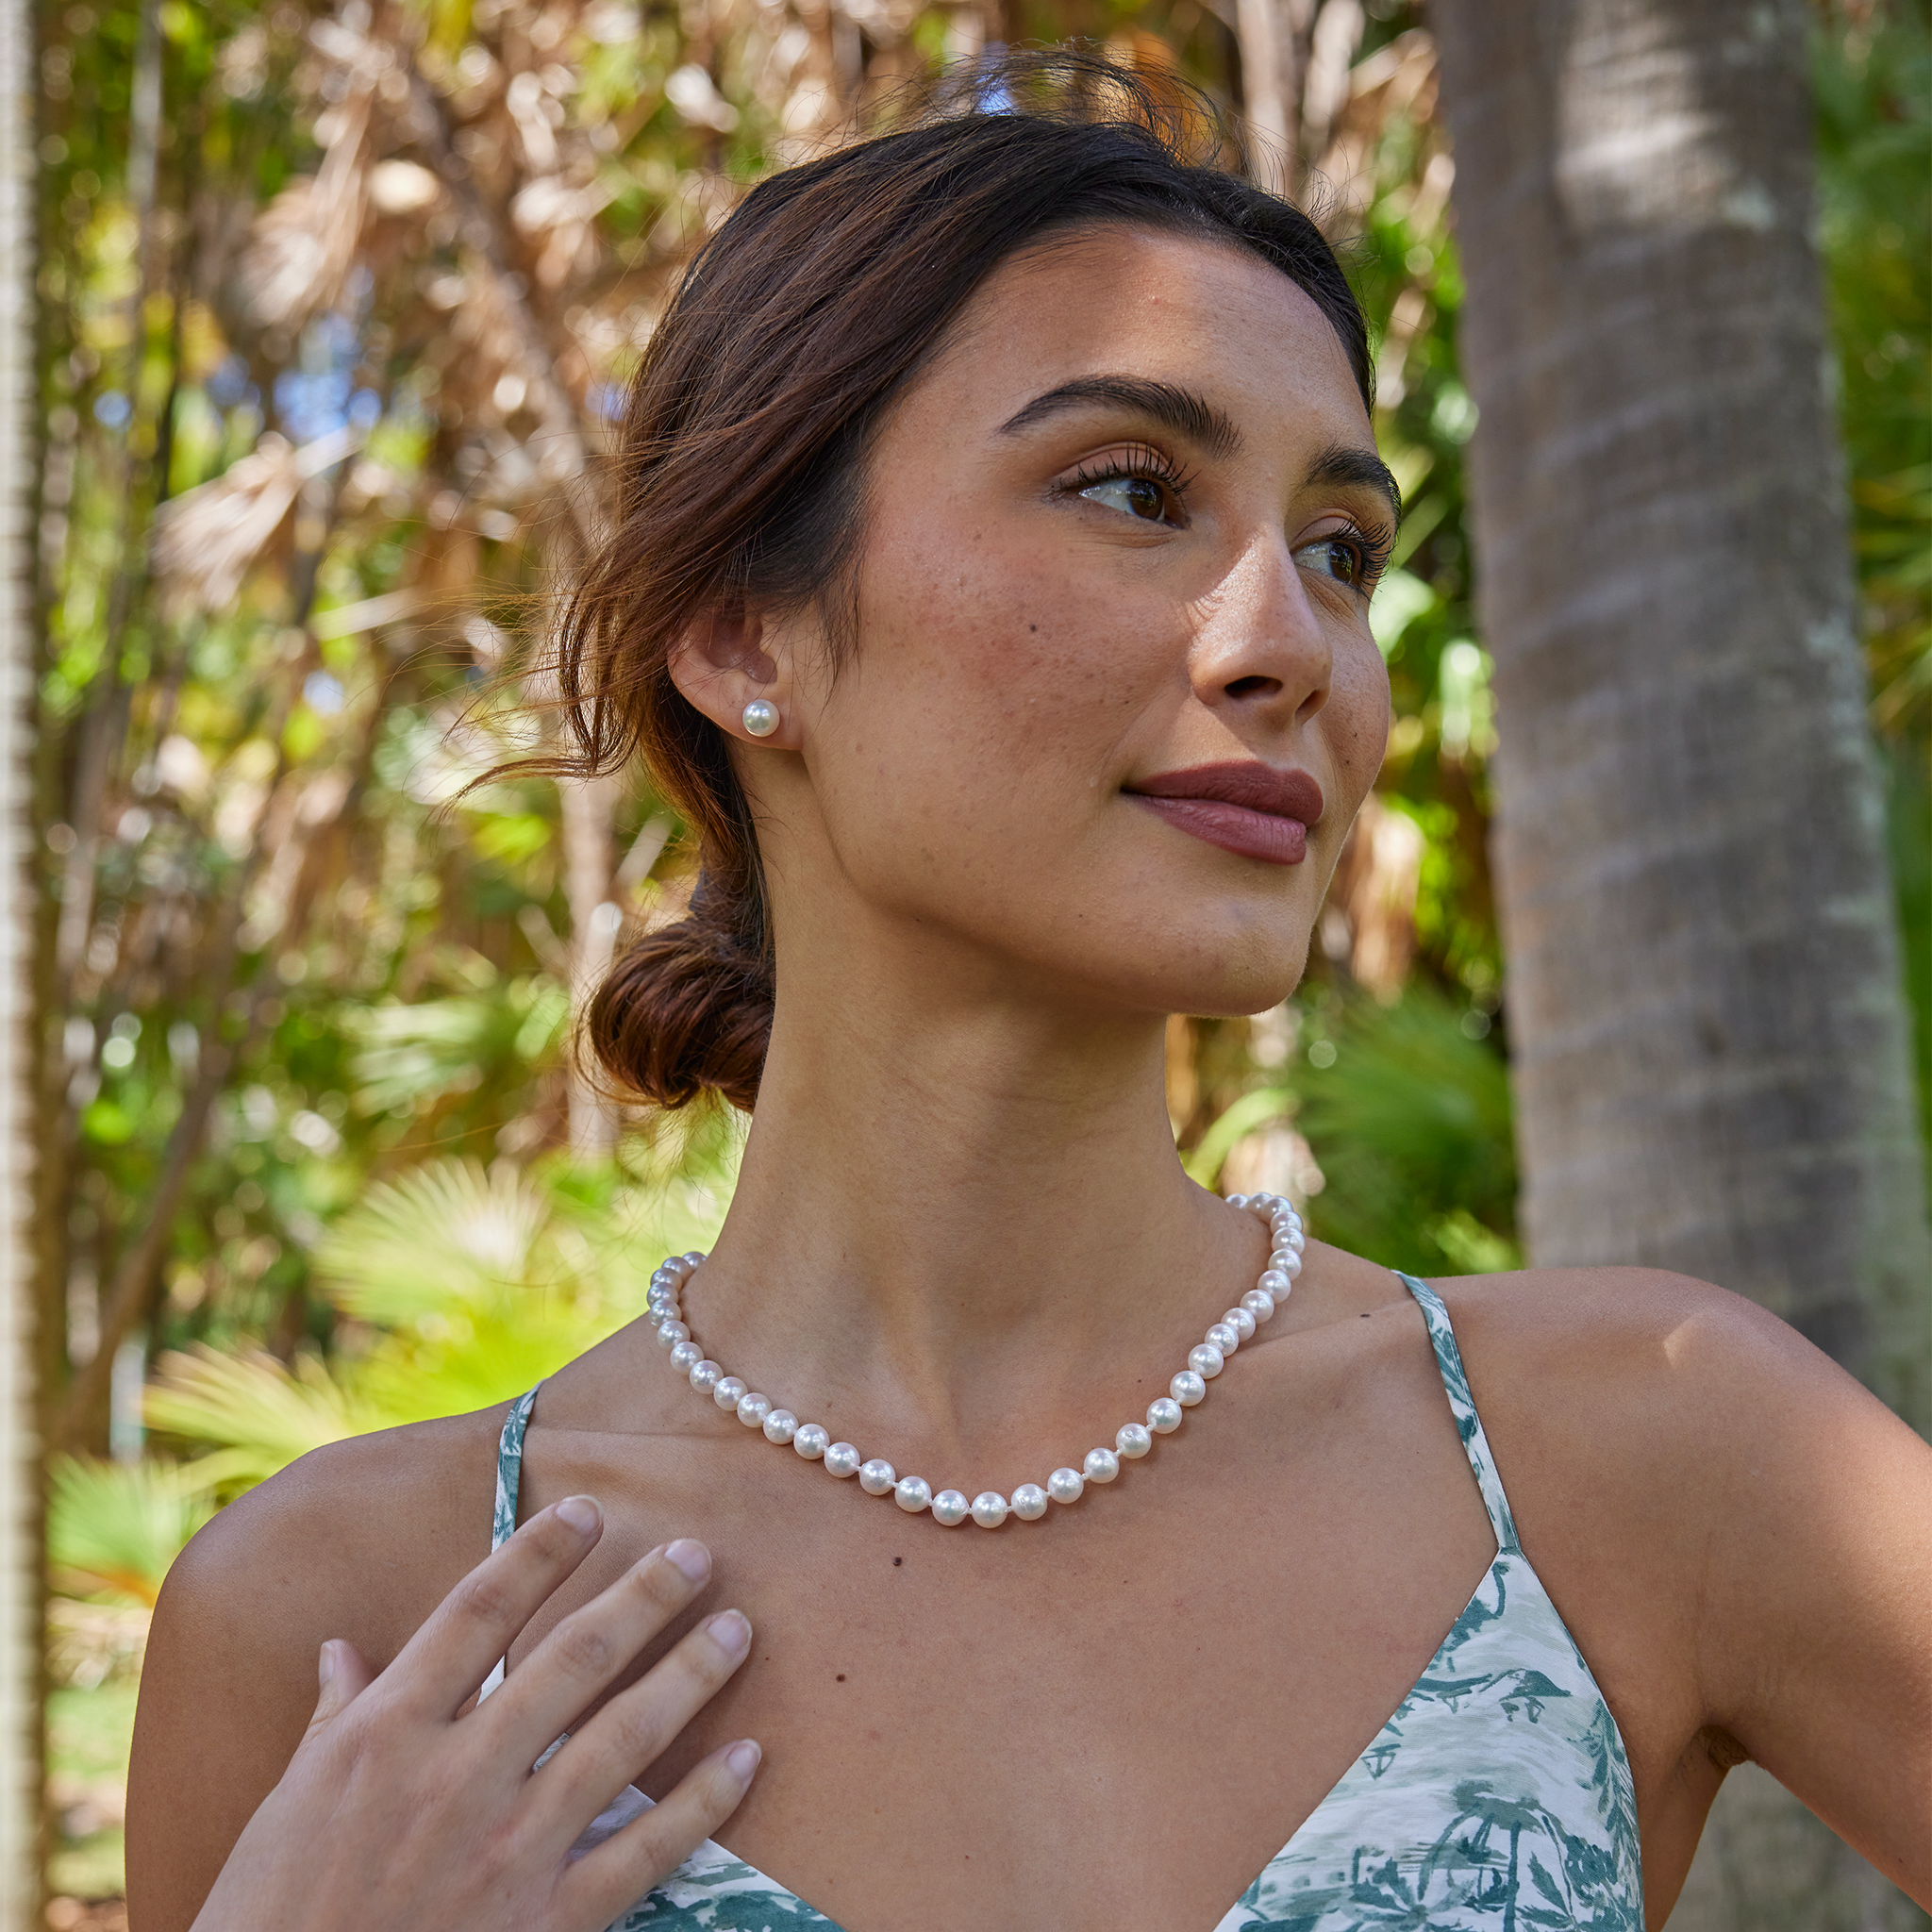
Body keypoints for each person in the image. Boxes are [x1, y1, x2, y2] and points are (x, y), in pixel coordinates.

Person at [128, 53, 1931, 1932]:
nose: (1288, 647)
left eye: (1337, 551)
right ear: (746, 630)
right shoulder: (354, 1625)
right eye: (1130, 490)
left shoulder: (1644, 1451)